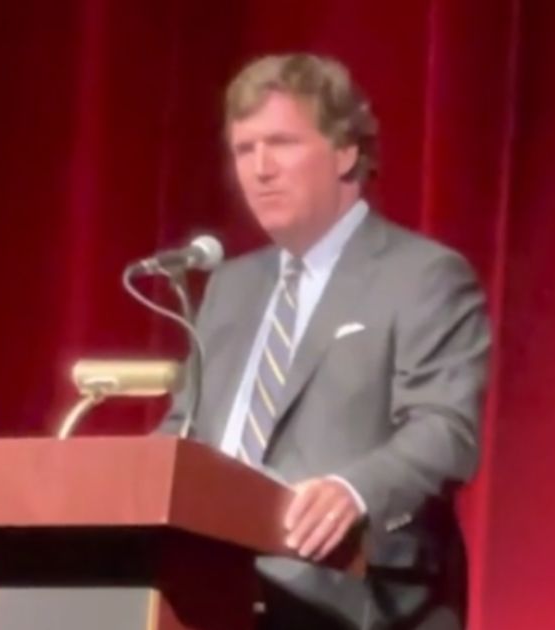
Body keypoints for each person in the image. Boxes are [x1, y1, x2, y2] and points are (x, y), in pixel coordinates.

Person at [158, 53, 491, 629]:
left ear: (346, 152)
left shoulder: (423, 276)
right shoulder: (230, 288)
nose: (260, 169)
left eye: (282, 143)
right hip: (210, 593)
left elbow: (445, 429)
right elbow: (184, 431)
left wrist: (352, 490)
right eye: (244, 149)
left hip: (353, 594)